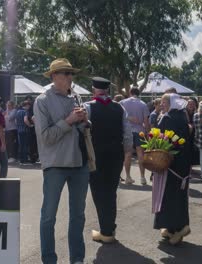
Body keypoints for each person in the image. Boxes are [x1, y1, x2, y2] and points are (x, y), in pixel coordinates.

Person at [35, 58, 89, 264]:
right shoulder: (42, 101)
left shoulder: (76, 97)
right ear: (53, 77)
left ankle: (77, 259)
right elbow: (46, 137)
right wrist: (69, 121)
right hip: (55, 164)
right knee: (48, 216)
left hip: (79, 163)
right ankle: (49, 260)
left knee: (78, 215)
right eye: (65, 73)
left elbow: (81, 130)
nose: (69, 77)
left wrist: (85, 121)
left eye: (70, 73)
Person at [83, 77, 132, 243]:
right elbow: (127, 134)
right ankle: (109, 226)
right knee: (111, 191)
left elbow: (82, 131)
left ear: (94, 89)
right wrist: (126, 152)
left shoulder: (87, 107)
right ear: (107, 90)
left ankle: (106, 231)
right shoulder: (119, 108)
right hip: (116, 154)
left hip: (95, 155)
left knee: (98, 191)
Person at [155, 93, 192, 245]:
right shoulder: (183, 117)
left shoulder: (167, 118)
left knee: (170, 196)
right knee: (179, 196)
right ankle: (170, 228)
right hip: (183, 165)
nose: (162, 104)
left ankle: (180, 228)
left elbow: (160, 139)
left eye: (164, 102)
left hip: (170, 164)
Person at [120, 87, 150, 185]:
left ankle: (128, 177)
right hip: (139, 131)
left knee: (127, 154)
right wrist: (148, 133)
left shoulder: (123, 103)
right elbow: (146, 121)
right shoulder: (143, 104)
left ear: (130, 92)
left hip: (126, 131)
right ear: (139, 93)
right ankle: (142, 177)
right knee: (140, 154)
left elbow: (120, 116)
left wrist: (129, 118)